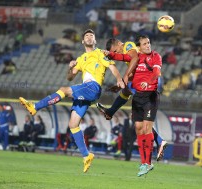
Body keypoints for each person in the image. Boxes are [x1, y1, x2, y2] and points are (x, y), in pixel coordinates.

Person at [19, 29, 125, 173]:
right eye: (86, 36)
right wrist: (70, 68)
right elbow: (70, 78)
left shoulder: (100, 53)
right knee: (73, 124)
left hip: (93, 87)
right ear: (82, 41)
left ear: (95, 41)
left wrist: (119, 79)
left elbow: (112, 67)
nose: (89, 37)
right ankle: (86, 155)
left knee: (64, 90)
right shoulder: (81, 59)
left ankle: (35, 107)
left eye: (91, 36)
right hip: (86, 90)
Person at [96, 37, 168, 161]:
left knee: (136, 115)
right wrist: (121, 84)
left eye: (116, 51)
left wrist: (124, 78)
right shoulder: (127, 56)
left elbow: (135, 59)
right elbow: (135, 71)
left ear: (119, 44)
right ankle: (160, 141)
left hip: (149, 81)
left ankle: (157, 144)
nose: (117, 54)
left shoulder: (128, 46)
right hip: (143, 79)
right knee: (126, 92)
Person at [121, 35, 162, 176]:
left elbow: (157, 72)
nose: (147, 45)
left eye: (148, 43)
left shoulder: (155, 56)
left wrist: (149, 82)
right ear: (139, 47)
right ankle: (143, 162)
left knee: (146, 128)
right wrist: (109, 54)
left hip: (151, 95)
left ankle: (148, 163)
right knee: (138, 129)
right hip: (138, 96)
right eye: (144, 44)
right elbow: (123, 58)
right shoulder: (137, 58)